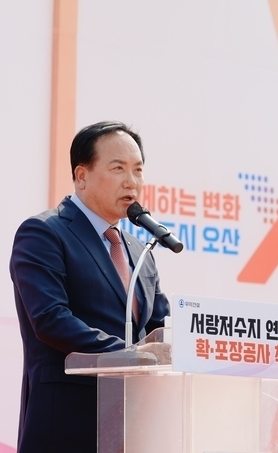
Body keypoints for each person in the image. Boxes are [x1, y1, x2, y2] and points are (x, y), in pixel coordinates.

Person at [9, 121, 171, 452]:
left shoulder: (140, 251)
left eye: (138, 170)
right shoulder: (44, 233)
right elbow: (51, 319)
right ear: (81, 176)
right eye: (118, 168)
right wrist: (130, 356)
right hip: (66, 423)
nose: (132, 181)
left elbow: (160, 327)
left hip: (134, 427)